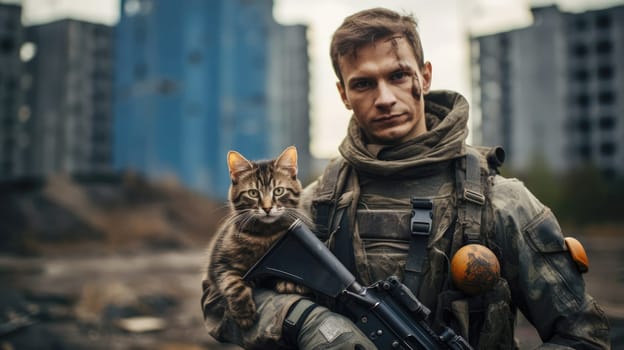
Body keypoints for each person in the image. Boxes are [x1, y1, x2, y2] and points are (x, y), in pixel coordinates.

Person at [202, 7, 610, 349]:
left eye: (397, 75)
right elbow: (218, 301)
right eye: (363, 83)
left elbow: (584, 337)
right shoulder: (313, 206)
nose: (384, 97)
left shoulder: (502, 203)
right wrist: (309, 323)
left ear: (425, 76)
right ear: (343, 93)